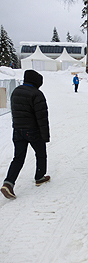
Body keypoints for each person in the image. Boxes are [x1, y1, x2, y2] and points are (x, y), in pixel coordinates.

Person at [1, 70, 50, 199]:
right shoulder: (37, 94)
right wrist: (45, 136)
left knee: (18, 158)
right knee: (40, 154)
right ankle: (39, 176)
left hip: (18, 130)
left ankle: (8, 183)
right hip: (33, 131)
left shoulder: (16, 91)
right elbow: (42, 117)